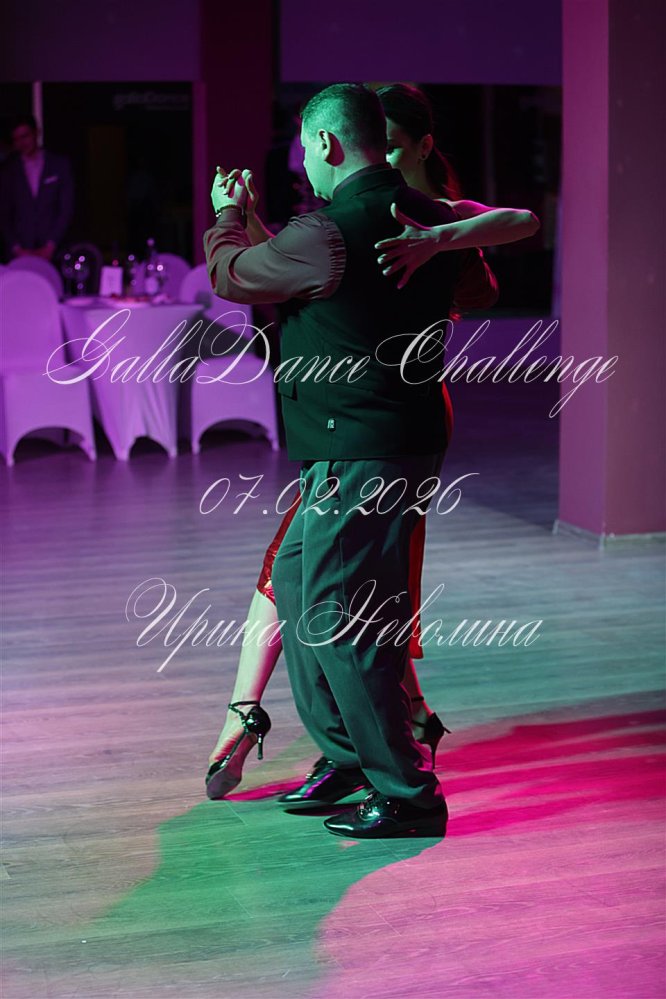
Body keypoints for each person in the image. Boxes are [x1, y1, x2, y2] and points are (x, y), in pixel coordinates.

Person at [204, 86, 539, 805]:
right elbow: (298, 266)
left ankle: (405, 787)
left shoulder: (340, 228)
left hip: (361, 447)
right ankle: (350, 755)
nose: (304, 163)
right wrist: (442, 240)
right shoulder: (426, 215)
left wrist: (228, 215)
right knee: (298, 583)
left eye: (304, 149)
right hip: (380, 440)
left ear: (328, 144)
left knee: (336, 612)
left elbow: (234, 274)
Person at [0, 114, 74, 261]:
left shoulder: (59, 165)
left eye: (25, 136)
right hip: (20, 252)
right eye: (17, 139)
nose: (22, 143)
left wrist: (51, 245)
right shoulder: (9, 171)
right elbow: (3, 213)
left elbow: (66, 208)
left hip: (55, 251)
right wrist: (16, 248)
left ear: (36, 133)